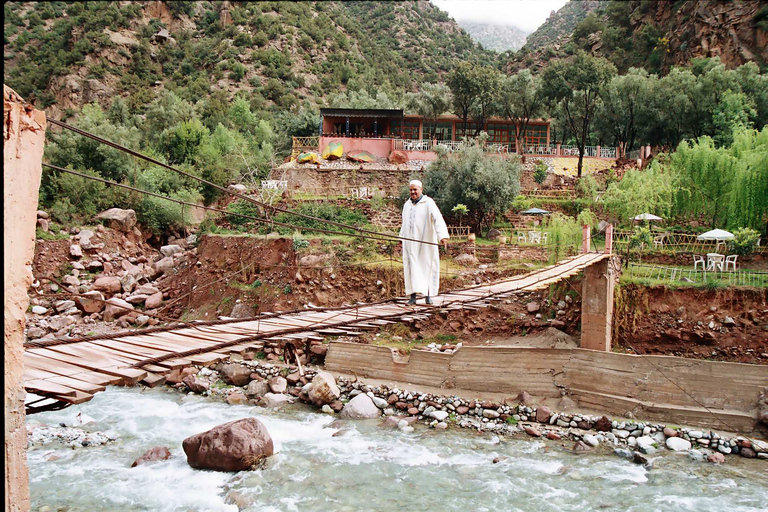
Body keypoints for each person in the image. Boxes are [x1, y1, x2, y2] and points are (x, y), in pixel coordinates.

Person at [399, 179, 449, 305]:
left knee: (426, 266)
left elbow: (438, 219)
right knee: (411, 269)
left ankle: (428, 296)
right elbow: (404, 223)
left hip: (425, 243)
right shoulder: (407, 205)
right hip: (410, 245)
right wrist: (401, 238)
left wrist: (442, 236)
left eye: (415, 189)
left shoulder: (429, 203)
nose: (413, 192)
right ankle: (412, 297)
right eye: (411, 190)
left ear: (421, 189)